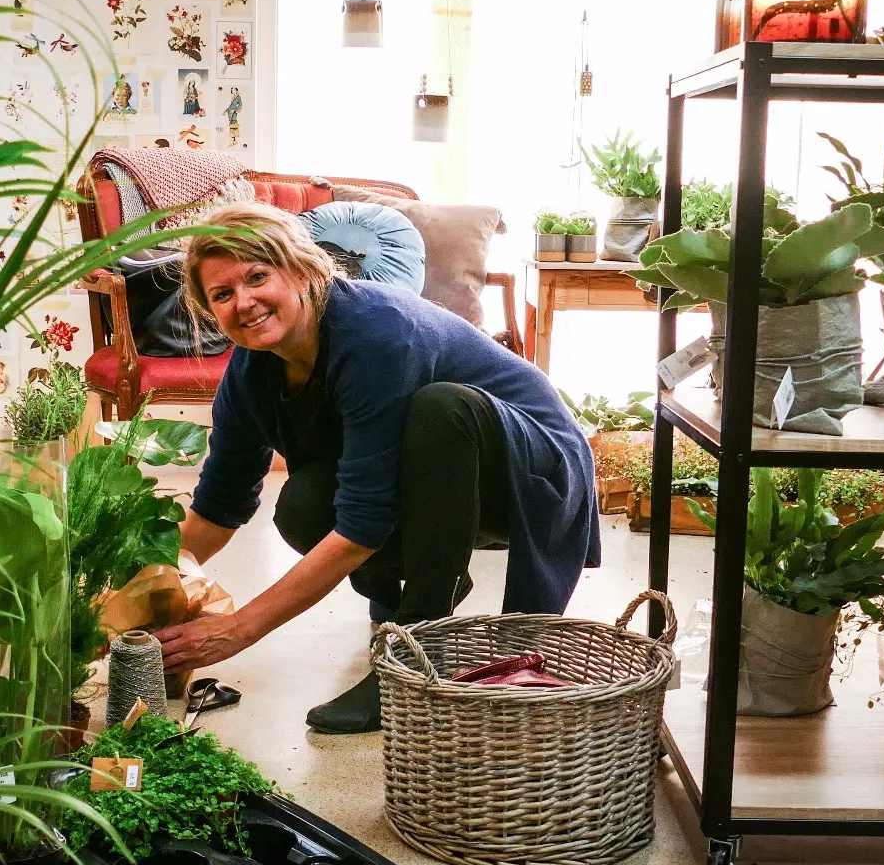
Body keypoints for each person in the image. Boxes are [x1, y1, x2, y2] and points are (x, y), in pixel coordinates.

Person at [155, 203, 601, 733]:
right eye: (222, 295)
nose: (244, 302)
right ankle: (412, 591)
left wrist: (238, 629)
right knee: (302, 505)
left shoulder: (375, 331)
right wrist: (126, 593)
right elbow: (215, 511)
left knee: (443, 408)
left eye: (257, 277)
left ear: (300, 270)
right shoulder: (250, 376)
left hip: (533, 471)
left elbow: (362, 527)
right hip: (443, 481)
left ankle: (416, 650)